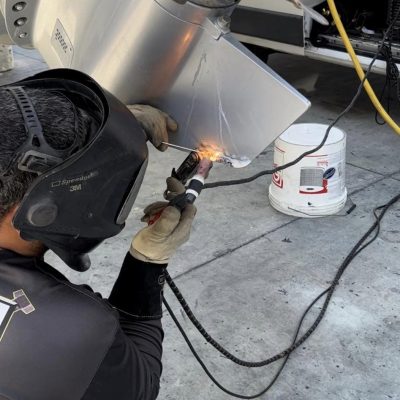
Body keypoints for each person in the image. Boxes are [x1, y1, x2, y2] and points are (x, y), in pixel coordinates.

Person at [0, 69, 196, 400]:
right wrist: (147, 263)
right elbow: (141, 385)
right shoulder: (66, 328)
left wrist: (115, 127)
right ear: (42, 205)